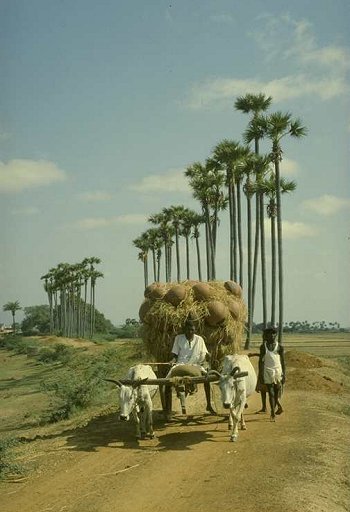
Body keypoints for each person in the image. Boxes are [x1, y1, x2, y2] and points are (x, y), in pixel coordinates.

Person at [165, 320, 216, 417]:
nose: (190, 332)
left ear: (195, 330)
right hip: (180, 365)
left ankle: (209, 405)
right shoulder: (178, 338)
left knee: (207, 379)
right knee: (167, 382)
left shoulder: (199, 339)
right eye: (188, 330)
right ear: (184, 330)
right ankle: (167, 409)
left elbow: (204, 354)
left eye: (192, 330)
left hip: (195, 366)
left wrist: (208, 356)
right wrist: (172, 361)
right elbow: (174, 354)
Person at [257, 327, 286, 421]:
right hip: (267, 371)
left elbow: (282, 361)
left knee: (277, 391)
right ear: (266, 336)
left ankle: (276, 408)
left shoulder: (280, 347)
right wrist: (261, 374)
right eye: (270, 334)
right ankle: (273, 413)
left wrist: (284, 374)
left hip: (278, 371)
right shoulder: (263, 347)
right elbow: (260, 361)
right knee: (271, 392)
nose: (272, 335)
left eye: (274, 334)